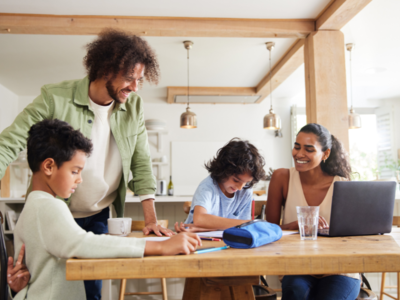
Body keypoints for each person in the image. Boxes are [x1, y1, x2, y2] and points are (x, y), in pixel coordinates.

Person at [0, 29, 173, 299]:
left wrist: (150, 218)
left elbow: (141, 161)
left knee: (89, 291)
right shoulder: (54, 97)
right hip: (57, 211)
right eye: (130, 78)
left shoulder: (133, 106)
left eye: (140, 79)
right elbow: (7, 144)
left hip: (99, 212)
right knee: (43, 282)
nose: (135, 87)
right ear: (105, 69)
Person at [11, 119, 201, 300]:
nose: (79, 179)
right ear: (49, 166)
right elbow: (82, 243)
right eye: (75, 171)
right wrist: (160, 246)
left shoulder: (34, 206)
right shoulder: (48, 206)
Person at [266, 123, 361, 300]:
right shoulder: (282, 177)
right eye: (297, 147)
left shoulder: (342, 183)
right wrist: (296, 226)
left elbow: (352, 237)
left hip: (339, 268)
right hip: (296, 266)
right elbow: (268, 231)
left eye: (309, 149)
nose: (299, 154)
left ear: (326, 154)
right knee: (296, 292)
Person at [175, 138, 266, 232]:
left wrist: (244, 224)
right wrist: (247, 223)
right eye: (236, 180)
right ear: (223, 170)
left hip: (223, 238)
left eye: (246, 182)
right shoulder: (207, 187)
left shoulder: (246, 190)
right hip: (196, 238)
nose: (240, 187)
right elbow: (199, 219)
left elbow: (243, 228)